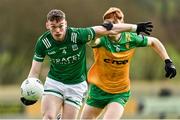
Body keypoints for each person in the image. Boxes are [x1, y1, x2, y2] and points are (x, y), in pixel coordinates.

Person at [20, 9, 153, 119]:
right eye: (54, 27)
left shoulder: (78, 35)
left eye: (60, 26)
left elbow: (109, 29)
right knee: (48, 117)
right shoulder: (43, 42)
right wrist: (29, 92)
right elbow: (35, 71)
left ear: (65, 24)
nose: (58, 31)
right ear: (47, 25)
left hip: (76, 86)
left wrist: (135, 27)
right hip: (55, 82)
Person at [80, 7, 176, 120]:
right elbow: (91, 39)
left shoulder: (131, 39)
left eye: (115, 23)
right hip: (98, 90)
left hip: (120, 92)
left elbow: (154, 41)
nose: (113, 27)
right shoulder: (101, 40)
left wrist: (168, 61)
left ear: (122, 24)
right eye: (109, 23)